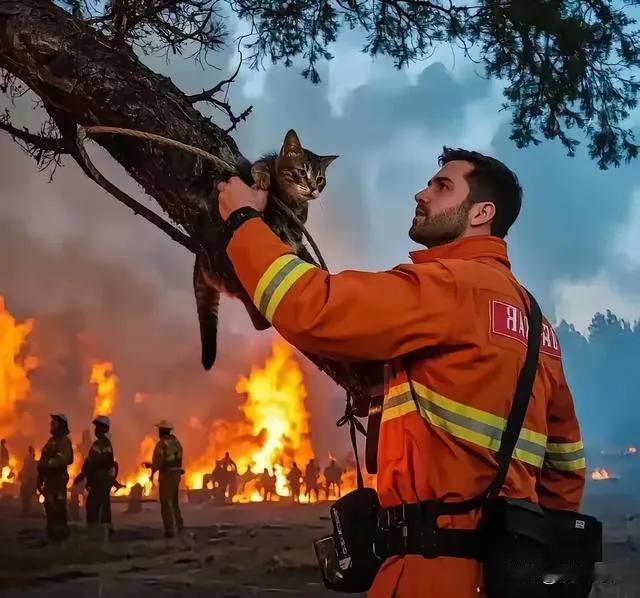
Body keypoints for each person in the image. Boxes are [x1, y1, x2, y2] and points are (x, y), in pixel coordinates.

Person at [217, 148, 585, 597]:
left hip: (429, 572)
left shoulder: (449, 285)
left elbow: (310, 307)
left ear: (482, 213)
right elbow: (565, 467)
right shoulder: (534, 324)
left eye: (441, 186)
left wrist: (242, 222)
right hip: (500, 575)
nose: (421, 193)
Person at [74, 415, 115, 537]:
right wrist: (84, 475)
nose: (96, 430)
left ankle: (99, 531)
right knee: (98, 504)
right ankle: (101, 530)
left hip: (101, 480)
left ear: (105, 429)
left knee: (95, 505)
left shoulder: (105, 444)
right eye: (95, 427)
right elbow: (89, 461)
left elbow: (107, 461)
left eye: (98, 427)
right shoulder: (97, 443)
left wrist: (92, 466)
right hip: (96, 479)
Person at [144, 420, 184, 538]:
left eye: (160, 430)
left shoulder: (162, 444)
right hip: (177, 475)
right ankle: (179, 525)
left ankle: (170, 529)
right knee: (174, 502)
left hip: (166, 476)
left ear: (162, 431)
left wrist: (151, 469)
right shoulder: (177, 443)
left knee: (166, 502)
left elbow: (159, 461)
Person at [37, 413, 74, 541]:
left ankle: (61, 536)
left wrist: (47, 465)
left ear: (62, 425)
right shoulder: (50, 441)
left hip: (58, 479)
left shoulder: (64, 441)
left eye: (55, 422)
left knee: (58, 506)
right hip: (48, 480)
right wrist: (40, 475)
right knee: (49, 506)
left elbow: (65, 459)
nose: (52, 424)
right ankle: (52, 534)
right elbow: (43, 459)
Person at [19, 446, 38, 517]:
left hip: (30, 480)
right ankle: (26, 510)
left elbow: (25, 469)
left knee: (27, 496)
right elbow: (26, 469)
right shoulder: (29, 460)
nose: (34, 454)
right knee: (27, 496)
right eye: (33, 452)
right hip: (30, 480)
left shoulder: (30, 460)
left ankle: (27, 510)